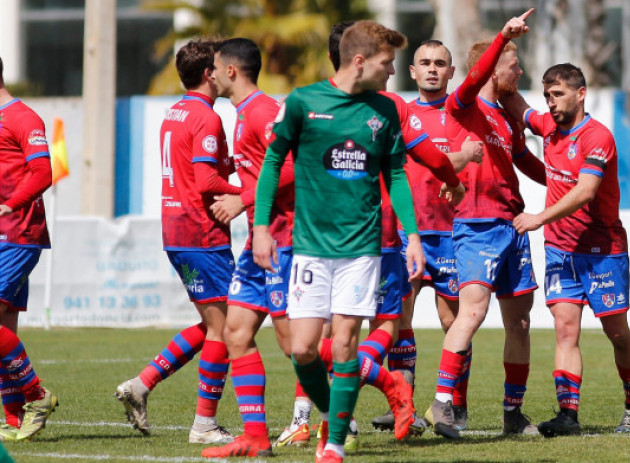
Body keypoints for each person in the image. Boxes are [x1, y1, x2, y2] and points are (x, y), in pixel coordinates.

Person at [253, 20, 424, 463]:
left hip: (361, 249)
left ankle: (333, 446)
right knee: (302, 349)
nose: (392, 72)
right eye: (388, 63)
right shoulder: (303, 102)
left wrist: (413, 236)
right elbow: (273, 164)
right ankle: (333, 411)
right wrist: (260, 228)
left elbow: (398, 175)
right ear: (361, 60)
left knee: (346, 343)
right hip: (309, 247)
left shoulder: (385, 111)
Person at [504, 63, 630, 436]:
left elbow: (585, 191)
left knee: (616, 332)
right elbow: (516, 104)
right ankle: (568, 415)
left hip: (603, 250)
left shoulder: (597, 137)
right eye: (548, 95)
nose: (551, 103)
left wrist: (539, 217)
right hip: (560, 250)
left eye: (559, 94)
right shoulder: (548, 127)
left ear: (581, 94)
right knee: (565, 330)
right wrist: (500, 64)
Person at [424, 9, 545, 440]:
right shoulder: (464, 104)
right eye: (515, 65)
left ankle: (513, 413)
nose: (522, 70)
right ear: (494, 68)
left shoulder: (507, 119)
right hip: (476, 224)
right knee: (472, 312)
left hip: (514, 225)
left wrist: (565, 183)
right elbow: (474, 78)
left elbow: (525, 160)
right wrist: (503, 35)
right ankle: (443, 402)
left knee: (521, 323)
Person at [115, 40, 240, 444]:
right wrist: (246, 190)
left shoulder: (176, 111)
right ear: (209, 73)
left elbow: (196, 166)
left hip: (178, 230)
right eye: (221, 66)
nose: (226, 72)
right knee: (228, 327)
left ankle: (142, 384)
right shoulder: (206, 117)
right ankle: (204, 424)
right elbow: (205, 182)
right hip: (201, 231)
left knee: (213, 324)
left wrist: (235, 164)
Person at [373, 39, 486, 433]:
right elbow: (433, 161)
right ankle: (401, 402)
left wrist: (459, 159)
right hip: (408, 233)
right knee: (398, 314)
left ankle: (455, 404)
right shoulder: (400, 113)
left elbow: (466, 159)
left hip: (454, 233)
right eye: (425, 63)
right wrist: (458, 158)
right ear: (412, 71)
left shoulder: (462, 113)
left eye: (440, 63)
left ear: (452, 72)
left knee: (452, 321)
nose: (433, 69)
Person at [199, 36, 295, 459]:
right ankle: (256, 437)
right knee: (236, 333)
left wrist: (243, 198)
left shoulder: (263, 111)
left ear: (231, 71)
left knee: (297, 347)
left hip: (286, 238)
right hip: (260, 238)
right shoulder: (242, 113)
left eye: (215, 68)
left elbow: (293, 167)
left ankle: (387, 384)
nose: (211, 74)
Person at [0, 56, 59, 442]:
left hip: (18, 233)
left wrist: (9, 204)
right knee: (4, 329)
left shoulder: (23, 117)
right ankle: (15, 419)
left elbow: (43, 172)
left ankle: (38, 396)